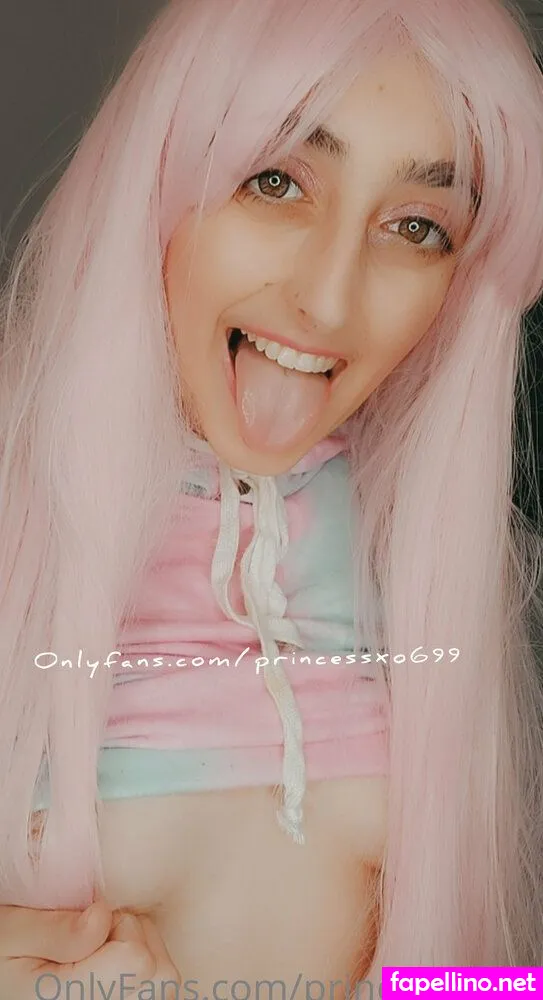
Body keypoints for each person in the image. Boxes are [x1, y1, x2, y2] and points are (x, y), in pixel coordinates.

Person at [1, 0, 543, 994]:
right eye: (276, 180)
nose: (329, 298)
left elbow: (484, 981)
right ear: (155, 175)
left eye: (416, 226)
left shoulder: (428, 559)